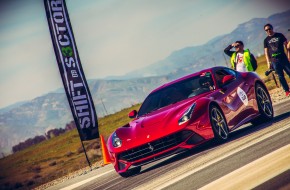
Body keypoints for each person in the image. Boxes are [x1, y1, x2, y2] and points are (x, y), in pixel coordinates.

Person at [263, 23, 290, 97]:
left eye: (269, 29)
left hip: (283, 58)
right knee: (281, 76)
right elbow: (266, 52)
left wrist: (288, 55)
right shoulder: (266, 40)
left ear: (272, 28)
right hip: (275, 61)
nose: (268, 31)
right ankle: (287, 90)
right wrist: (268, 62)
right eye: (266, 30)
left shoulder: (280, 35)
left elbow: (287, 46)